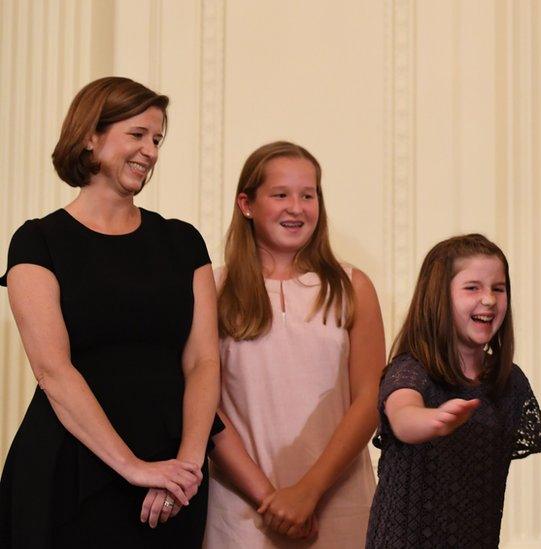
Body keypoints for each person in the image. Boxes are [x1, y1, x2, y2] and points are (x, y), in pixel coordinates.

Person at [0, 76, 222, 548]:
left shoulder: (182, 242)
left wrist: (185, 466)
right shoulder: (37, 241)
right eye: (138, 134)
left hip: (172, 477)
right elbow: (53, 371)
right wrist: (135, 468)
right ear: (90, 136)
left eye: (158, 139)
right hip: (71, 469)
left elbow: (204, 361)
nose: (151, 151)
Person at [204, 141, 385, 547]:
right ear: (246, 204)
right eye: (281, 194)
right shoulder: (213, 289)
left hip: (338, 503)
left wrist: (308, 492)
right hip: (240, 512)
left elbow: (370, 398)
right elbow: (205, 406)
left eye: (308, 195)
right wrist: (271, 499)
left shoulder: (352, 286)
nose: (297, 207)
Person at [366, 234, 541, 548]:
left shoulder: (509, 382)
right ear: (438, 298)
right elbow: (402, 415)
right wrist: (433, 420)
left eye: (498, 288)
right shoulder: (412, 368)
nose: (489, 299)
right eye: (472, 288)